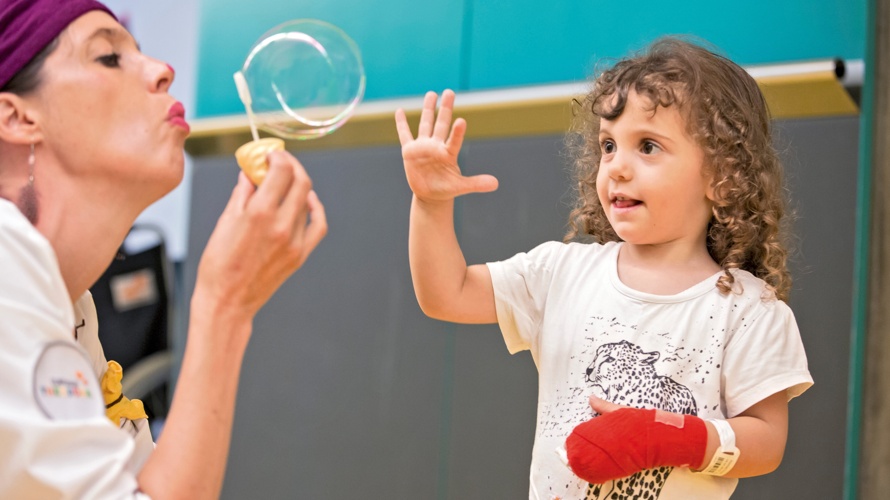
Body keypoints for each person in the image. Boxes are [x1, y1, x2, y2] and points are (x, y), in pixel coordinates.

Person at [394, 37, 813, 499]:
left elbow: (767, 442)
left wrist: (667, 436)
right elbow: (445, 293)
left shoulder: (749, 311)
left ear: (721, 176)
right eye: (609, 145)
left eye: (648, 146)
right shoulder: (561, 272)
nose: (616, 167)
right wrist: (430, 204)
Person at [0, 0, 327, 498]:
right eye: (108, 57)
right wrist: (225, 307)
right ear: (17, 117)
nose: (163, 70)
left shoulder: (71, 304)